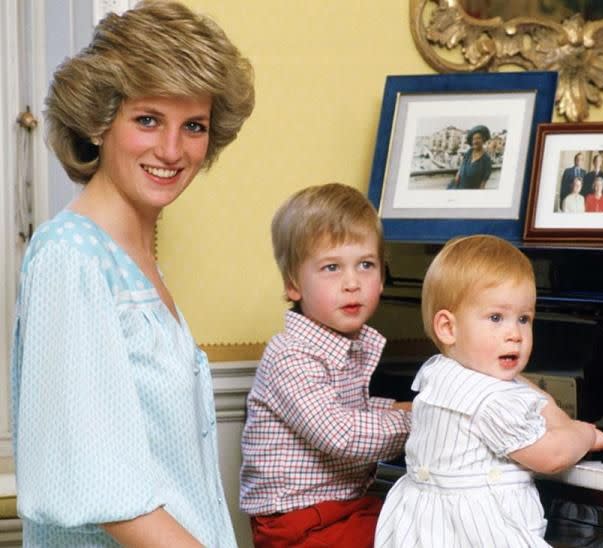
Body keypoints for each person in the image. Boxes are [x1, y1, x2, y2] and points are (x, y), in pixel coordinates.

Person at [10, 2, 254, 545]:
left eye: (193, 126)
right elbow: (102, 487)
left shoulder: (135, 261)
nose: (172, 150)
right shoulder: (70, 256)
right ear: (98, 122)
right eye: (148, 119)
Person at [374, 235, 603, 547]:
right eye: (496, 318)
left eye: (524, 318)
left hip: (426, 527)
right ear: (448, 328)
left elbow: (534, 399)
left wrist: (563, 423)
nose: (515, 334)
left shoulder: (439, 370)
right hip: (477, 533)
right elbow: (552, 457)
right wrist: (585, 435)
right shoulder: (492, 401)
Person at [240, 183, 413, 548]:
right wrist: (420, 419)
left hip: (344, 505)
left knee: (425, 520)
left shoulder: (349, 343)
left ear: (382, 276)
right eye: (332, 267)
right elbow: (341, 434)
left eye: (365, 265)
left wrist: (397, 408)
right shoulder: (290, 356)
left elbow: (350, 409)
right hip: (298, 520)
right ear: (292, 285)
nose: (352, 283)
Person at [449, 125, 493, 189]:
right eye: (473, 139)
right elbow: (462, 166)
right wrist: (457, 177)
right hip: (458, 186)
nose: (475, 141)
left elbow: (483, 183)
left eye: (478, 138)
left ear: (483, 139)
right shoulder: (469, 152)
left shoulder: (486, 159)